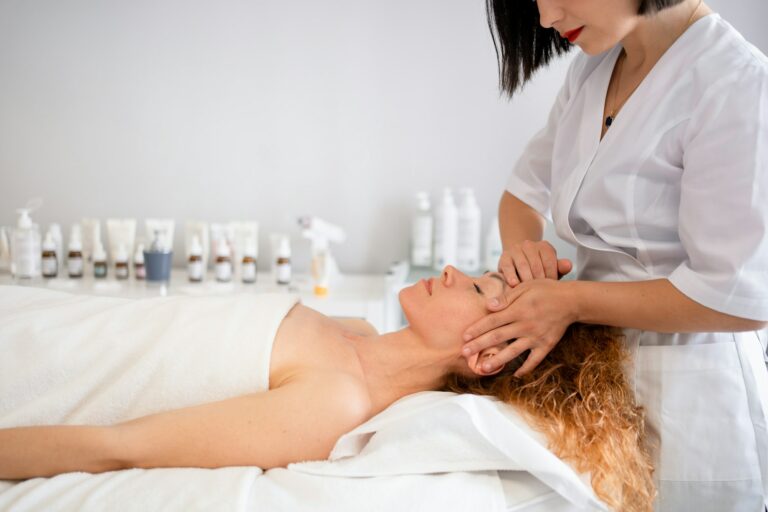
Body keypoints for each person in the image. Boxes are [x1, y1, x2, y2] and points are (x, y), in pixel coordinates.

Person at [0, 267, 653, 511]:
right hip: (49, 322)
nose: (452, 271)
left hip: (43, 374)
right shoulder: (355, 330)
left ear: (484, 355)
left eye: (479, 290)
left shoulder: (333, 403)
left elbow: (121, 448)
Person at [461, 1, 768, 510]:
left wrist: (572, 302)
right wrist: (524, 252)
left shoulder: (736, 84)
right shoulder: (594, 69)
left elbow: (741, 297)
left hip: (697, 399)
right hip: (599, 387)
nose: (544, 17)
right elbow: (522, 194)